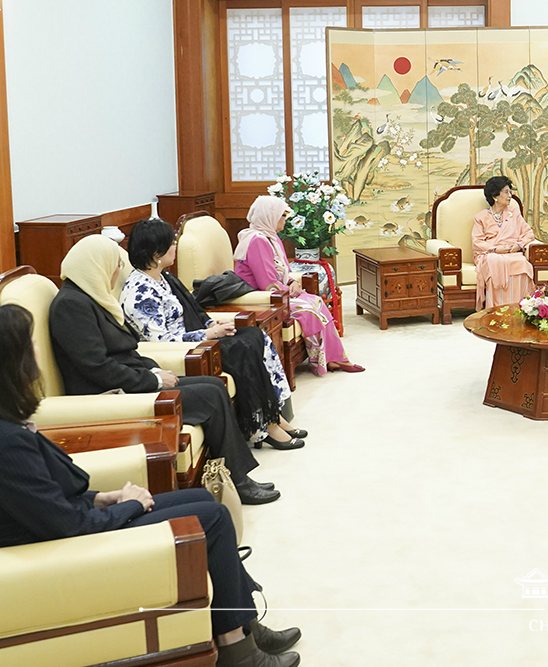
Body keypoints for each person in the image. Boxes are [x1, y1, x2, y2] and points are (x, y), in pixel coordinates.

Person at [0, 303, 301, 667]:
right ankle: (238, 652)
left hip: (74, 519)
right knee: (212, 518)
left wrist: (101, 497)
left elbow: (44, 495)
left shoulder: (9, 422)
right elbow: (63, 523)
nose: (37, 352)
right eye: (30, 344)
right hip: (63, 545)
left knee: (204, 501)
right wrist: (124, 506)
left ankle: (243, 627)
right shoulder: (6, 441)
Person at [48, 235, 277, 505]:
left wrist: (155, 372)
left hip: (132, 380)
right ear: (95, 267)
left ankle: (232, 477)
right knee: (211, 396)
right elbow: (98, 368)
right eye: (113, 269)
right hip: (111, 395)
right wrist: (153, 381)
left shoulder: (90, 297)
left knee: (214, 385)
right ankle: (239, 483)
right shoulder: (71, 305)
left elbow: (127, 351)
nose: (115, 276)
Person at [121, 218, 305, 451]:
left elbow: (193, 309)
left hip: (197, 337)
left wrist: (213, 324)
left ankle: (273, 416)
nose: (175, 248)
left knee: (255, 337)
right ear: (156, 252)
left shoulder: (164, 277)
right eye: (172, 243)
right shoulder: (140, 292)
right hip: (184, 350)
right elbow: (162, 340)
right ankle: (263, 427)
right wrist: (208, 334)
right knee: (244, 348)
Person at [234, 196, 363, 377]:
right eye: (282, 215)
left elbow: (282, 271)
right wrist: (289, 291)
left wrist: (292, 282)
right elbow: (267, 284)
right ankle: (320, 358)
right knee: (308, 309)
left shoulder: (271, 237)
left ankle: (334, 357)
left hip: (278, 292)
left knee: (316, 301)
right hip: (262, 298)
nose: (285, 220)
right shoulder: (257, 241)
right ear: (269, 216)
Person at [472, 175, 537, 309]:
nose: (510, 196)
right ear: (495, 196)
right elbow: (477, 242)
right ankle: (496, 308)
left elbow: (528, 233)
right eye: (506, 192)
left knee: (521, 263)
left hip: (512, 253)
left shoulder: (514, 212)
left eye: (510, 192)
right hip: (490, 254)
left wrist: (518, 245)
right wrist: (495, 249)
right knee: (494, 261)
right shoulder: (480, 217)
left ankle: (521, 307)